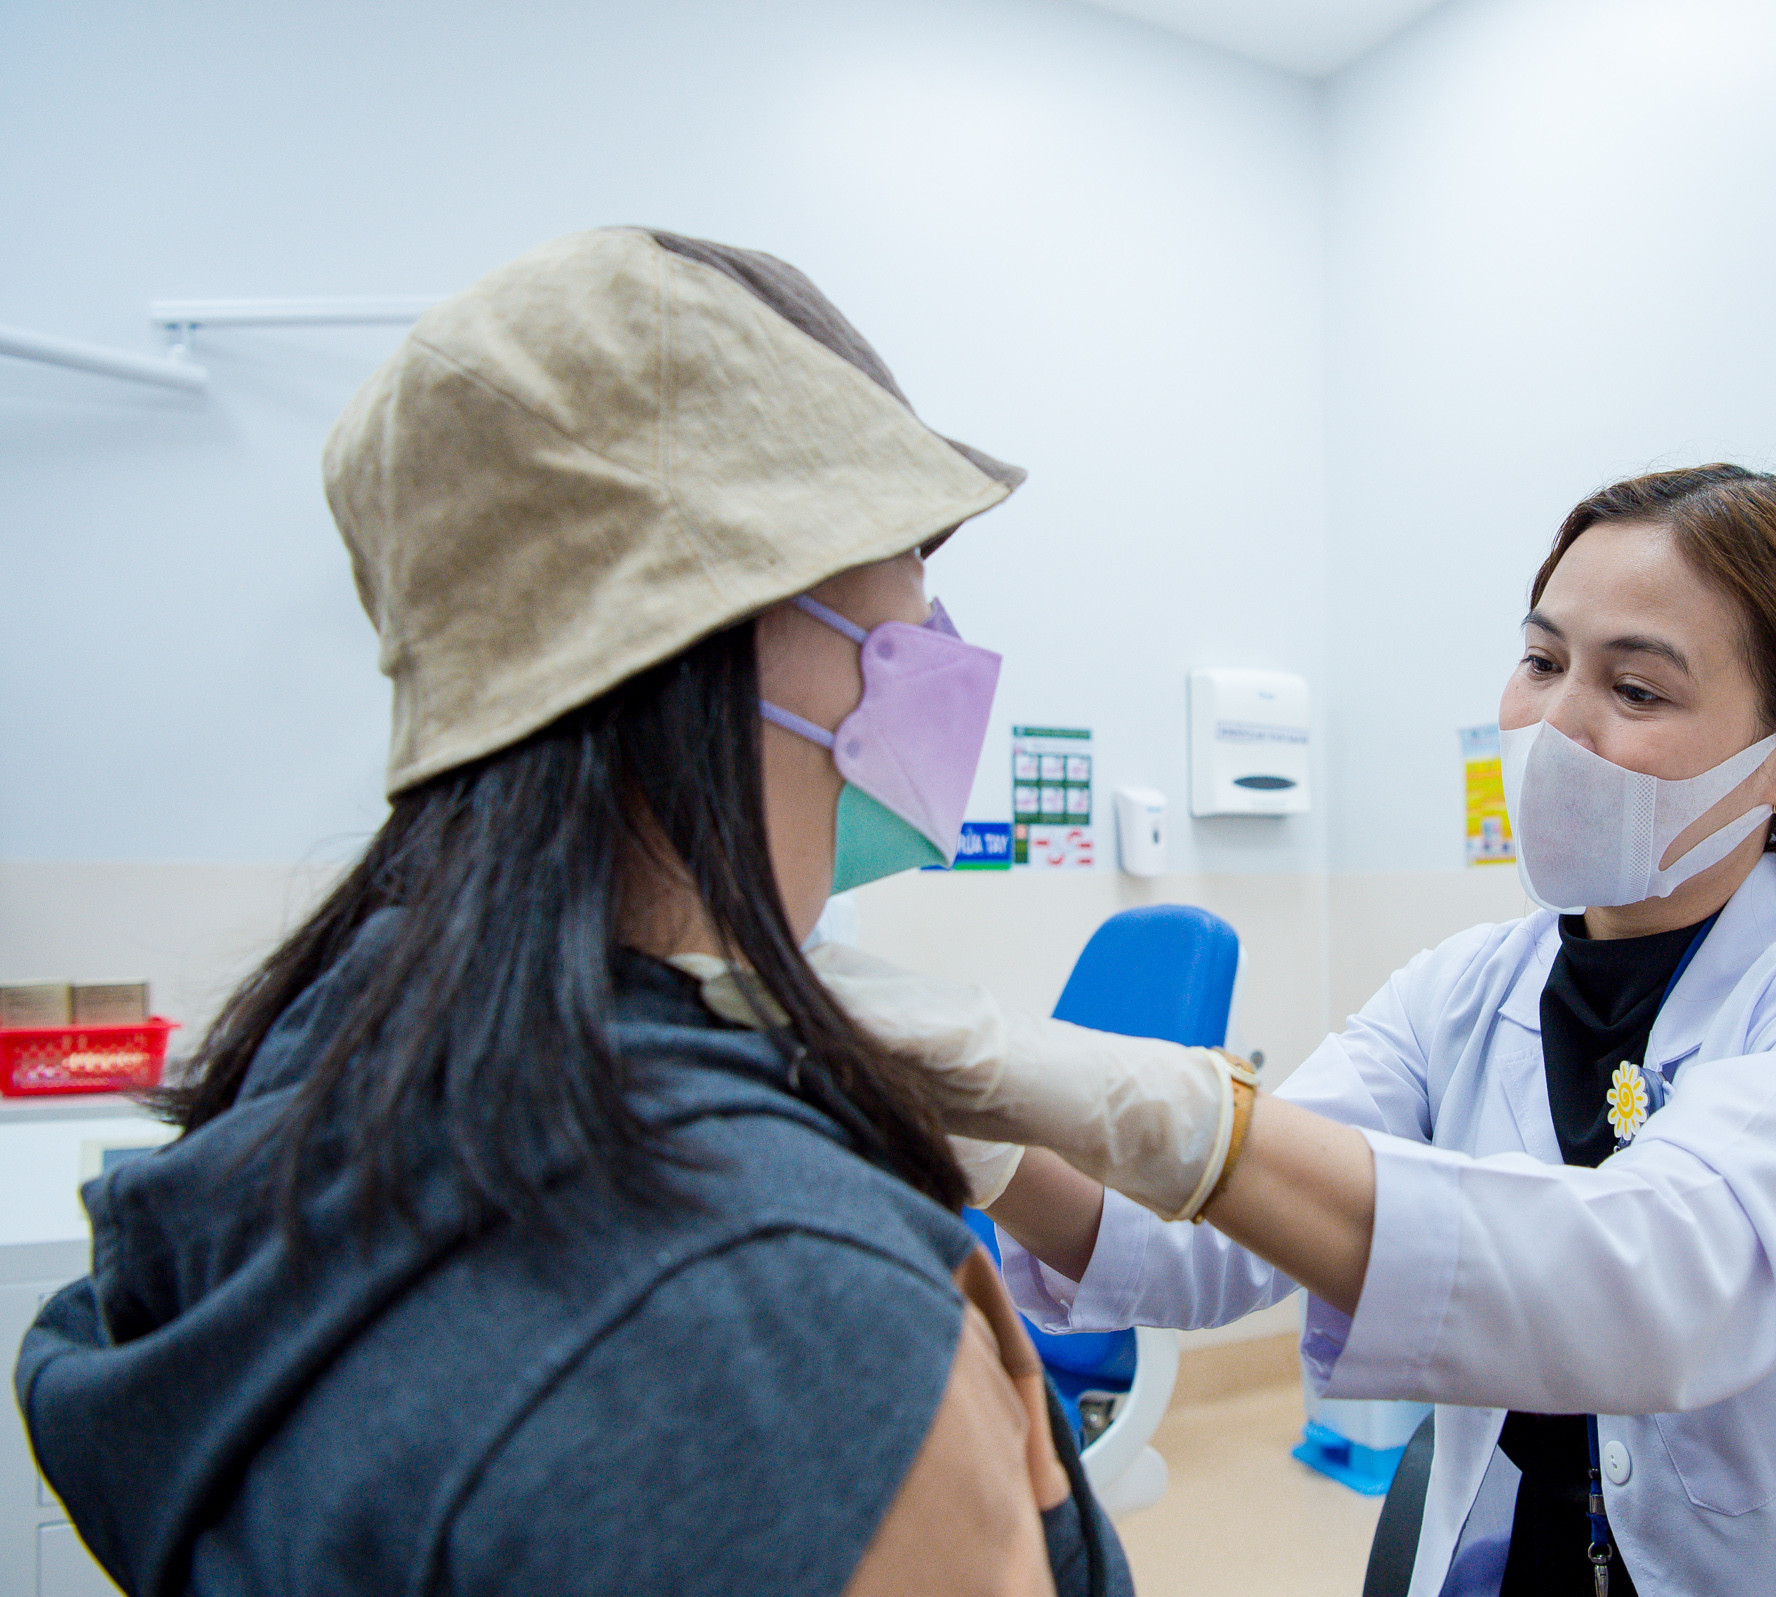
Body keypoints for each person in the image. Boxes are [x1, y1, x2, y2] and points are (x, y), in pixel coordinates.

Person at [14, 228, 1131, 1597]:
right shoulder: (784, 1326)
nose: (937, 621)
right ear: (738, 604)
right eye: (904, 549)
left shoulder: (314, 1084)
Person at [816, 467, 1776, 1596]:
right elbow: (1192, 1247)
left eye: (1635, 687)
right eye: (1541, 662)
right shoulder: (1459, 992)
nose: (1553, 724)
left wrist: (1188, 1115)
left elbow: (1653, 1286)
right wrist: (983, 1129)